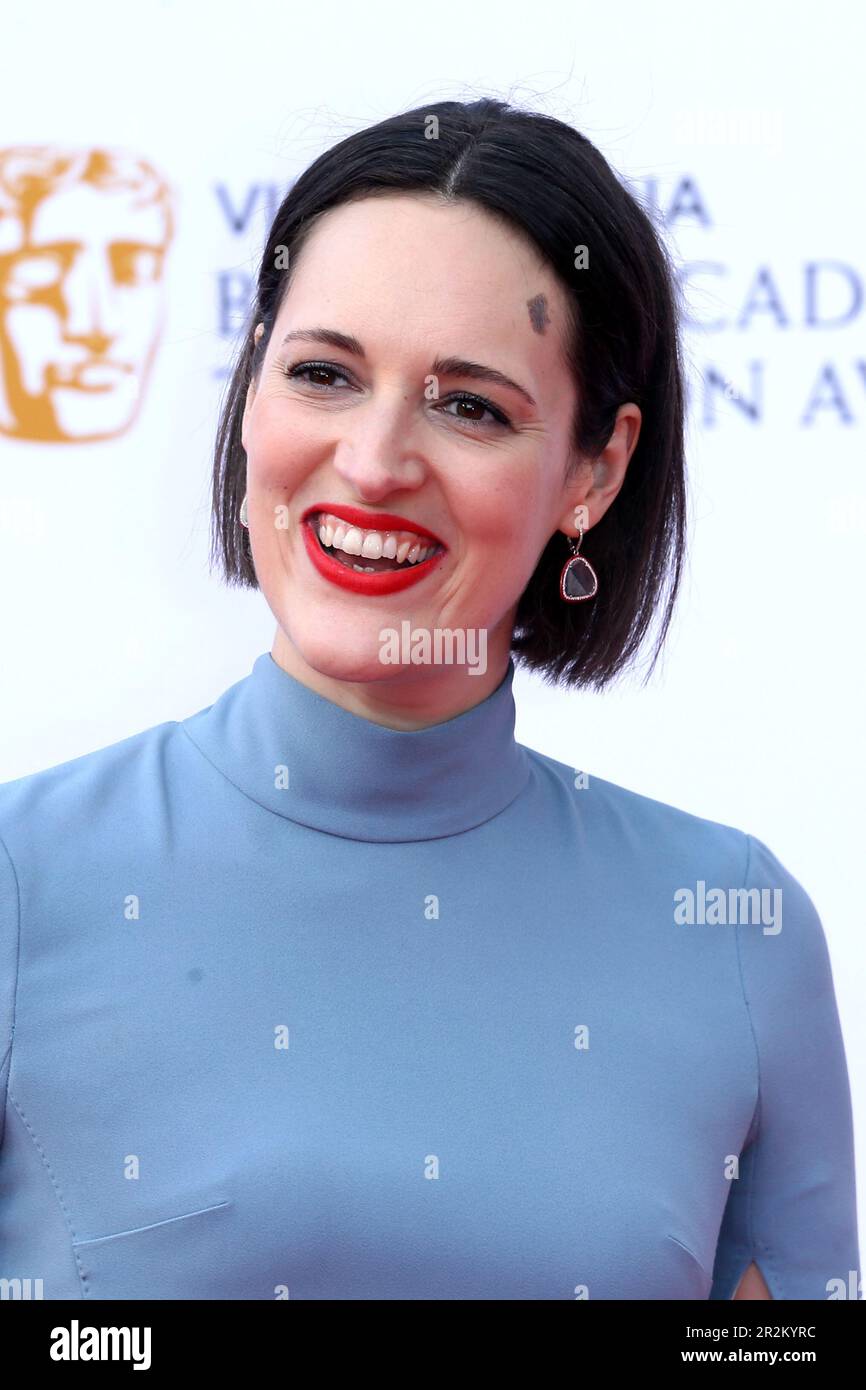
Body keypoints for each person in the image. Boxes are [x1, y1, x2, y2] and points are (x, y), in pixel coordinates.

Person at [0, 97, 859, 1301]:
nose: (372, 462)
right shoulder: (23, 880)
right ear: (251, 393)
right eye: (322, 374)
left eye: (469, 406)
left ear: (595, 468)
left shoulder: (732, 929)